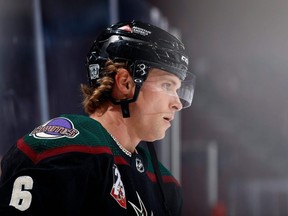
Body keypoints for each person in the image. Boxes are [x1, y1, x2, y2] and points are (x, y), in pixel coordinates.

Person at [0, 20, 195, 216]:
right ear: (125, 83)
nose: (177, 103)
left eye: (178, 90)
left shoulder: (164, 184)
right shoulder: (71, 148)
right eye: (167, 86)